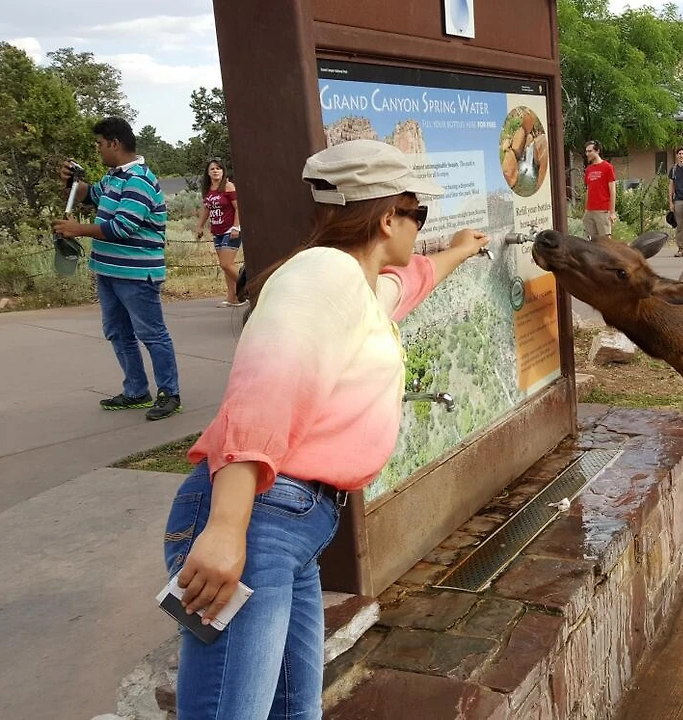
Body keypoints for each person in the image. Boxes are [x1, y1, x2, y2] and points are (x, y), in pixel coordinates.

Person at [165, 139, 488, 718]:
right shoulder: (324, 275)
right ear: (388, 218)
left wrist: (461, 250)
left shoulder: (353, 285)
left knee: (296, 710)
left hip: (291, 525)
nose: (420, 229)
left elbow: (409, 283)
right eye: (419, 215)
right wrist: (226, 529)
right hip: (258, 517)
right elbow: (262, 394)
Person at [52, 117, 182, 421]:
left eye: (100, 144)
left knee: (152, 334)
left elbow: (122, 227)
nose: (98, 150)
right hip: (110, 271)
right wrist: (71, 183)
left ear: (115, 143)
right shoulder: (115, 177)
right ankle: (136, 391)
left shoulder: (139, 180)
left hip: (136, 275)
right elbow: (90, 195)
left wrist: (78, 229)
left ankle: (170, 394)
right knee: (118, 332)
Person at [195, 158, 245, 307]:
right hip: (217, 231)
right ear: (208, 172)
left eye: (218, 168)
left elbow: (238, 208)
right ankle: (232, 298)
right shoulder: (208, 189)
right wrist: (199, 226)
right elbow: (206, 209)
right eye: (212, 169)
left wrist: (236, 227)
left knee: (226, 263)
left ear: (223, 171)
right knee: (225, 268)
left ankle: (250, 288)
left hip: (231, 230)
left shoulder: (228, 186)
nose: (215, 171)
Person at [582, 140, 617, 241]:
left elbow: (612, 191)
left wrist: (612, 212)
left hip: (602, 210)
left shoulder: (607, 167)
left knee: (605, 241)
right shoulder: (589, 169)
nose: (587, 154)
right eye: (586, 151)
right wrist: (586, 209)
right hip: (590, 211)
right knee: (590, 241)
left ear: (597, 151)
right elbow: (588, 189)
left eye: (590, 151)